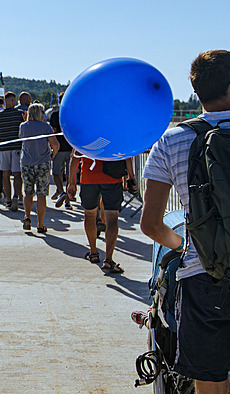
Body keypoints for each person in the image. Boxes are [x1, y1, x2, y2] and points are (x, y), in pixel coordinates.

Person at [140, 50, 230, 392]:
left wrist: (187, 245)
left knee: (210, 382)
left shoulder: (172, 140)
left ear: (196, 92)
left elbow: (151, 224)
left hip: (202, 277)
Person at [67, 151, 137, 273]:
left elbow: (74, 157)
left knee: (89, 215)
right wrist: (131, 177)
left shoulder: (85, 133)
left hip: (89, 178)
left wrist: (71, 182)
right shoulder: (114, 132)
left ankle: (93, 253)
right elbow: (127, 155)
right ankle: (109, 260)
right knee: (112, 218)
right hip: (113, 178)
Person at [18, 103, 59, 233]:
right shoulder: (45, 127)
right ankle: (40, 224)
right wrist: (52, 155)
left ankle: (27, 217)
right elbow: (55, 144)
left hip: (26, 162)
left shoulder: (23, 126)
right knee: (41, 194)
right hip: (42, 162)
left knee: (28, 192)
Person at [0, 91, 24, 211]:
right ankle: (17, 195)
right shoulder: (19, 114)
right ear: (12, 101)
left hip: (3, 147)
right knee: (17, 174)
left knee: (5, 174)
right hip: (17, 147)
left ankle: (8, 200)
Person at [49, 92, 73, 209]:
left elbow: (53, 132)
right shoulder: (72, 114)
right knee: (69, 175)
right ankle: (67, 200)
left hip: (59, 147)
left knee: (56, 173)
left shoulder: (55, 115)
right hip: (71, 147)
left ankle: (61, 191)